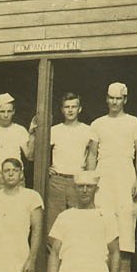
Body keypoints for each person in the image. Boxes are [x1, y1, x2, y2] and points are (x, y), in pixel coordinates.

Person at [88, 81, 137, 272]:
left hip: (125, 171)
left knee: (126, 220)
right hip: (103, 172)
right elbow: (92, 154)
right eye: (111, 98)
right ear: (106, 99)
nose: (114, 102)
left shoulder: (134, 123)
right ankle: (104, 269)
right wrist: (91, 179)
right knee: (103, 218)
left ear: (125, 100)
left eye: (118, 98)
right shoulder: (97, 124)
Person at [45, 91, 94, 225]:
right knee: (54, 222)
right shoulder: (54, 130)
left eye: (74, 107)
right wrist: (46, 168)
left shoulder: (88, 130)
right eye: (67, 107)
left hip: (78, 181)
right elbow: (41, 152)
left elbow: (92, 156)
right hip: (57, 181)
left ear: (80, 109)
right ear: (62, 110)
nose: (70, 110)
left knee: (78, 221)